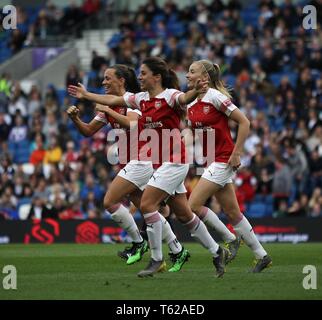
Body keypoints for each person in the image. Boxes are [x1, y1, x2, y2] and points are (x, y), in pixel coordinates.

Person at [68, 57, 230, 278]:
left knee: (147, 204)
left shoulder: (170, 95)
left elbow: (185, 97)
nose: (140, 77)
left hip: (175, 161)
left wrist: (197, 90)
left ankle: (156, 259)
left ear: (157, 77)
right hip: (159, 164)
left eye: (143, 73)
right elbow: (113, 99)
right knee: (184, 214)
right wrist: (86, 96)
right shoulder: (140, 99)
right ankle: (216, 250)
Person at [67, 64, 187, 271]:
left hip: (144, 160)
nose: (104, 82)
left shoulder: (134, 100)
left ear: (121, 81)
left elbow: (132, 124)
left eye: (108, 78)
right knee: (148, 210)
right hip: (132, 162)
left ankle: (139, 243)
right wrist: (75, 118)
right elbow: (88, 131)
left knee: (110, 201)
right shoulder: (111, 106)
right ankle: (177, 250)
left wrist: (106, 110)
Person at [186, 60, 272, 273]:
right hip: (211, 160)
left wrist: (237, 152)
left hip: (223, 158)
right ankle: (262, 256)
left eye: (192, 71)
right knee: (233, 213)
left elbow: (244, 122)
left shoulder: (216, 97)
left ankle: (230, 239)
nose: (187, 75)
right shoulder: (190, 103)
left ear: (204, 77)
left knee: (193, 205)